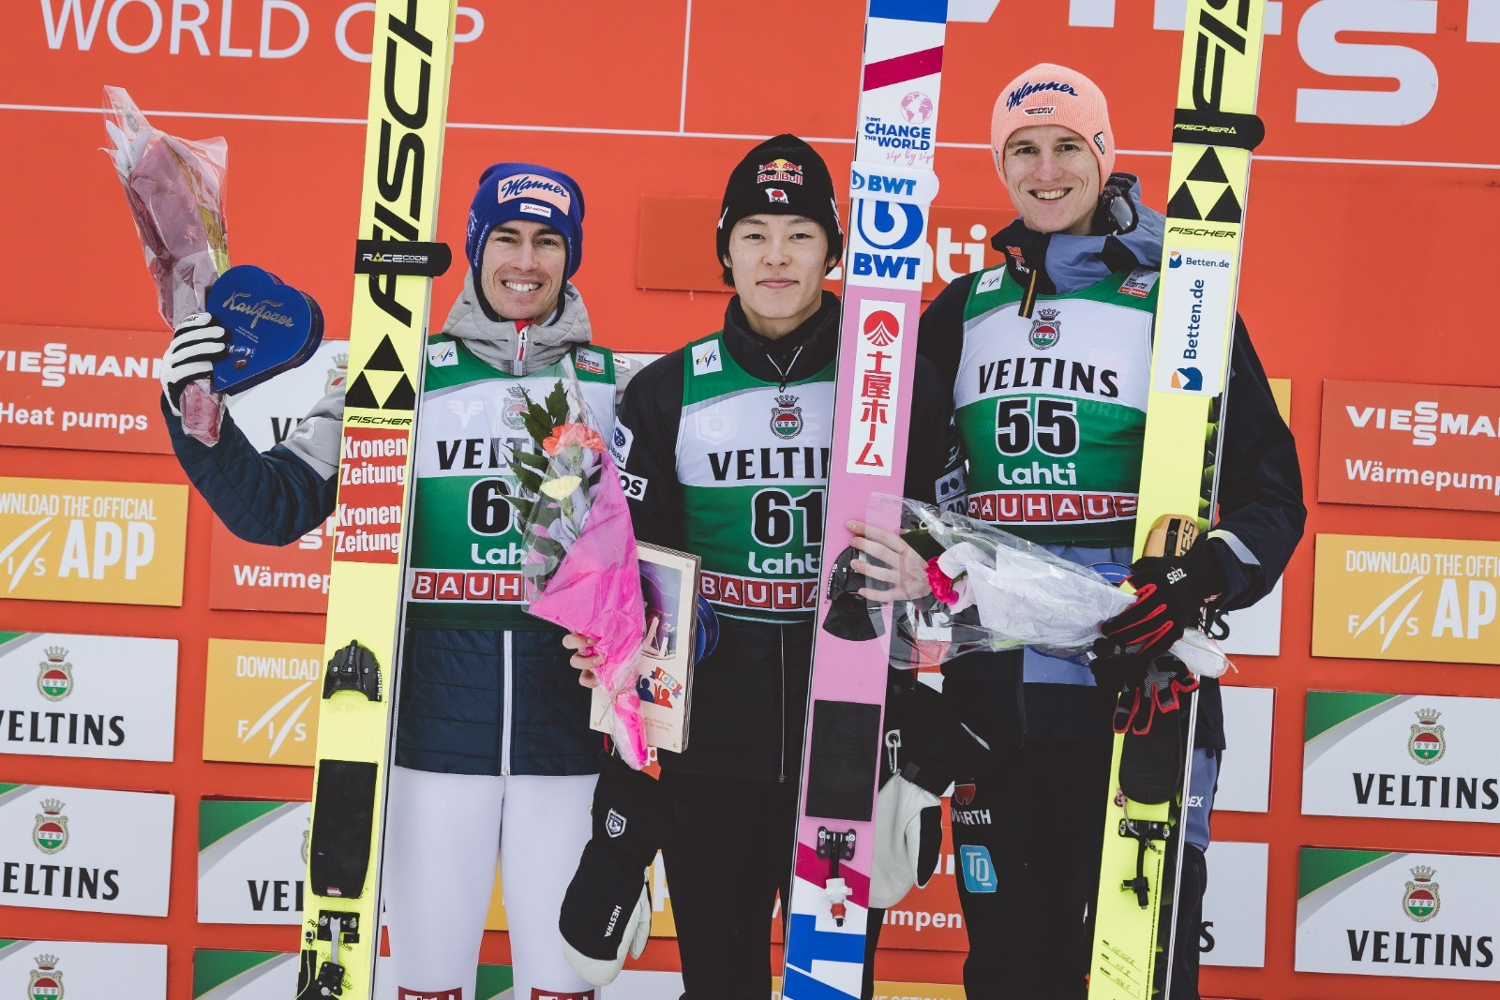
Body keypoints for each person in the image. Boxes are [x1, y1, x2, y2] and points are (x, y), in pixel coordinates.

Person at [867, 65, 1305, 998]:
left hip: (1136, 687)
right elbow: (895, 495)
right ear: (1000, 167)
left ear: (1104, 158)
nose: (1046, 169)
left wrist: (1192, 582)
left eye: (1068, 146)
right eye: (1023, 150)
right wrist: (900, 673)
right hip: (997, 701)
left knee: (1141, 972)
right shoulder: (963, 311)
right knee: (1010, 975)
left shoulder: (1179, 303)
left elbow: (1271, 495)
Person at [159, 163, 633, 1000]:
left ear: (572, 256)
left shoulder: (616, 386)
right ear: (477, 247)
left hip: (572, 747)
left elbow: (667, 567)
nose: (526, 261)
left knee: (565, 989)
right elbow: (274, 506)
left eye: (548, 242)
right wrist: (195, 408)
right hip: (429, 743)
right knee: (425, 986)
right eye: (507, 238)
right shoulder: (397, 375)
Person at [563, 134, 963, 1000]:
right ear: (726, 250)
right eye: (754, 234)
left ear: (832, 250)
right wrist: (612, 654)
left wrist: (930, 602)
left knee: (834, 986)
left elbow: (952, 551)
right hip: (711, 752)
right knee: (719, 982)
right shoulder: (666, 391)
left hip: (852, 738)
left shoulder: (899, 386)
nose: (776, 255)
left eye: (799, 234)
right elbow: (628, 572)